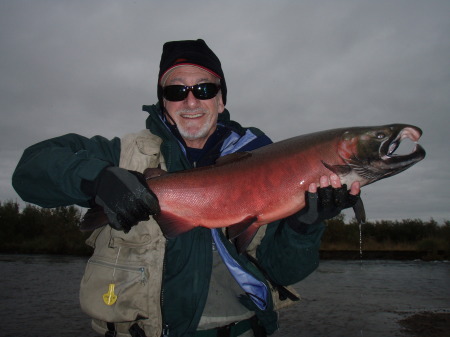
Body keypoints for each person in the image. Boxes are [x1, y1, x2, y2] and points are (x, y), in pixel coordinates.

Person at [12, 39, 360, 337]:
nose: (191, 101)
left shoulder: (268, 169)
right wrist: (97, 177)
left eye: (205, 89)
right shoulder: (122, 154)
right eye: (176, 91)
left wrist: (304, 225)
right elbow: (30, 169)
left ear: (221, 100)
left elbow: (285, 272)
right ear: (163, 102)